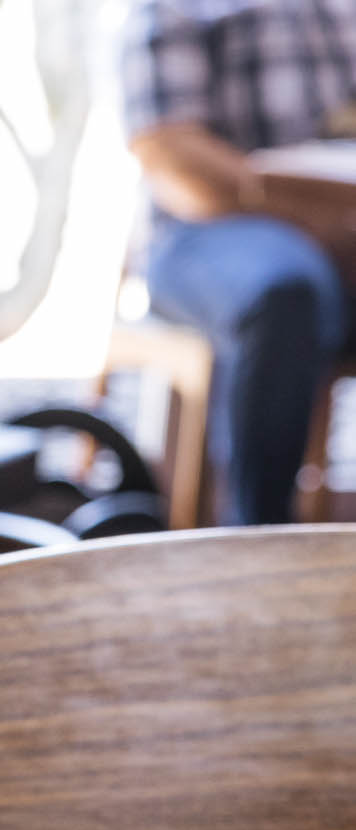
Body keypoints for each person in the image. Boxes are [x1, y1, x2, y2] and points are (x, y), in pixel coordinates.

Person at [124, 0, 356, 525]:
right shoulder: (177, 10)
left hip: (342, 233)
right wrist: (313, 219)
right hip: (203, 235)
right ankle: (255, 539)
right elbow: (172, 156)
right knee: (285, 291)